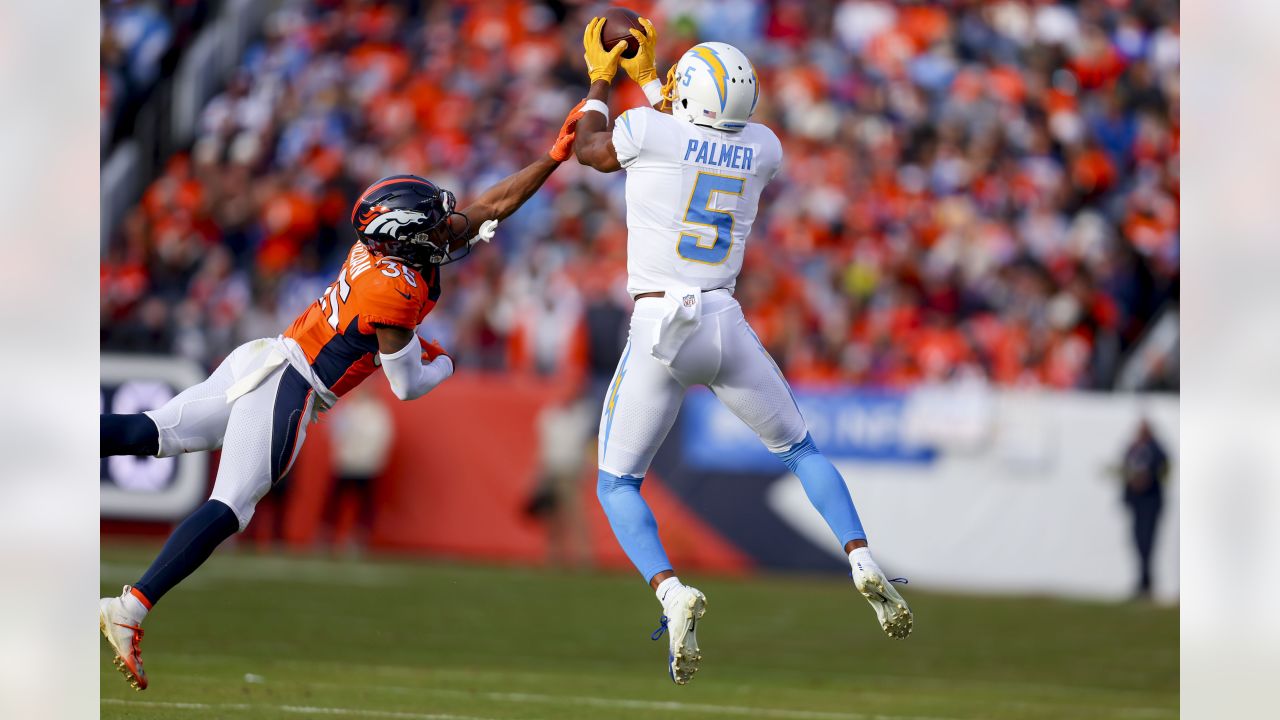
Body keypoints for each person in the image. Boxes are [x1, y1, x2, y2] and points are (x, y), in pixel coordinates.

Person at [97, 103, 586, 691]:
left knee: (149, 432)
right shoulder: (395, 288)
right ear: (404, 238)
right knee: (232, 505)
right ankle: (131, 608)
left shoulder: (394, 252)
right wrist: (446, 360)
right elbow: (407, 384)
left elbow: (490, 205)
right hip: (289, 383)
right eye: (431, 224)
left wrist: (554, 158)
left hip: (262, 356)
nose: (445, 226)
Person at [571, 17, 911, 686]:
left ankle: (670, 590)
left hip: (659, 324)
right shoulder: (763, 146)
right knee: (802, 451)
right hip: (723, 319)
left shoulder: (647, 130)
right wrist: (653, 81)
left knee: (617, 482)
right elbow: (693, 130)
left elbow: (590, 148)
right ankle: (862, 556)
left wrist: (602, 78)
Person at [1121, 419, 1169, 599]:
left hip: (1150, 503)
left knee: (1148, 542)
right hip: (1137, 503)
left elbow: (1162, 467)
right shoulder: (1133, 449)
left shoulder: (1155, 449)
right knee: (1138, 542)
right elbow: (1125, 468)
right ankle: (1142, 582)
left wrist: (1147, 479)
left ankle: (1146, 583)